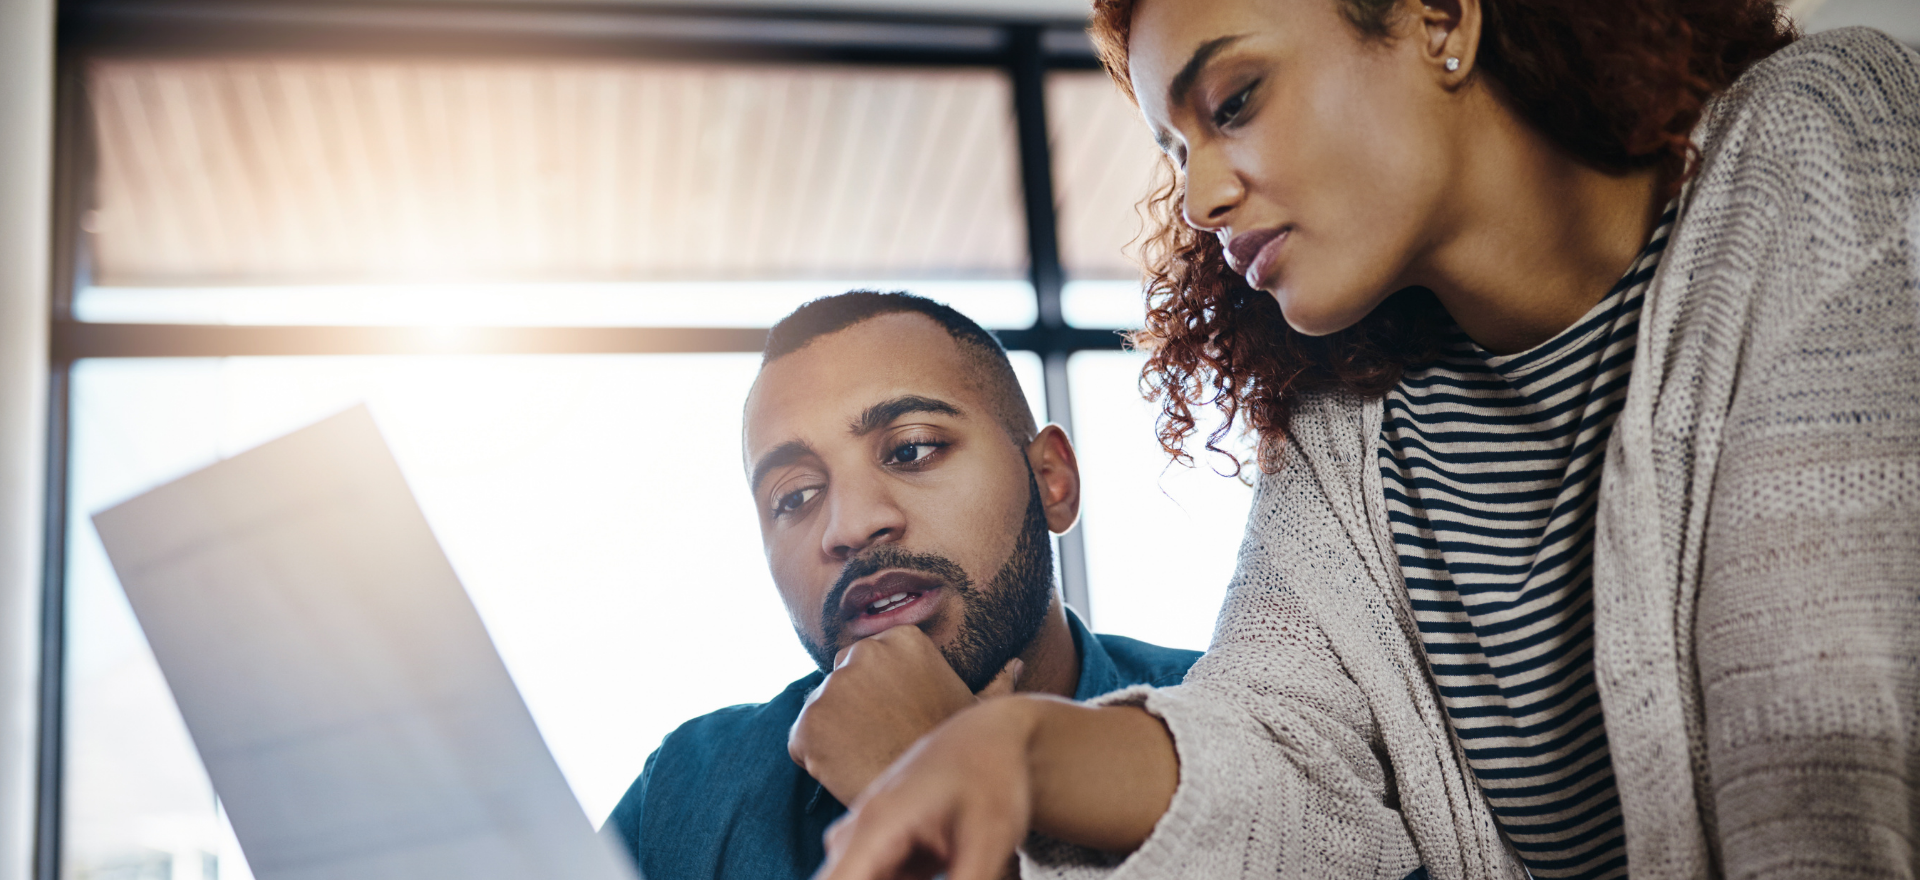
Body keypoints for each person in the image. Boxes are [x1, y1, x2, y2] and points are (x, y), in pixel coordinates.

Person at [816, 0, 1920, 878]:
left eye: (1234, 99)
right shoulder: (1346, 425)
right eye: (1175, 146)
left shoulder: (1816, 140)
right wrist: (1013, 747)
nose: (1198, 193)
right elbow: (1274, 749)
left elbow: (1824, 745)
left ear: (1440, 18)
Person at [599, 291, 1202, 880]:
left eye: (912, 450)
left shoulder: (1236, 723)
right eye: (797, 497)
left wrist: (932, 773)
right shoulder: (685, 792)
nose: (851, 525)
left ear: (1051, 481)